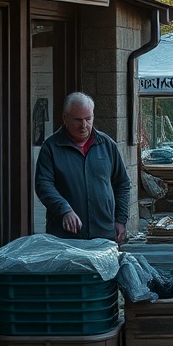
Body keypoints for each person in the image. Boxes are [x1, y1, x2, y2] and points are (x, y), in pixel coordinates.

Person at [34, 92, 131, 244]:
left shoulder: (107, 145)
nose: (84, 125)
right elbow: (43, 185)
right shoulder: (51, 147)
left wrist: (120, 219)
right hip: (66, 235)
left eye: (88, 119)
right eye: (78, 120)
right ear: (65, 118)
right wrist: (64, 209)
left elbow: (122, 184)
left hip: (104, 232)